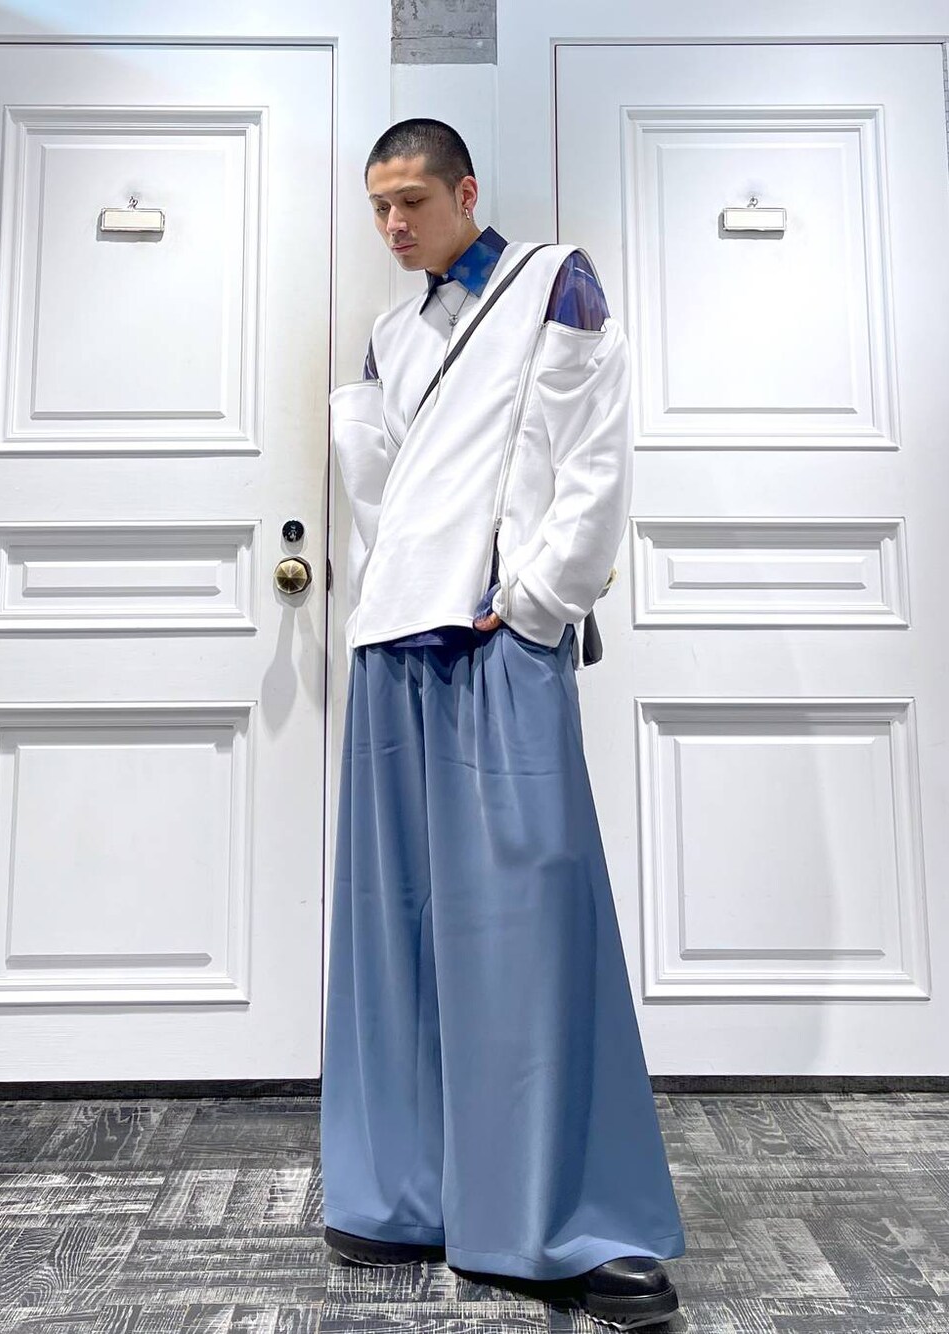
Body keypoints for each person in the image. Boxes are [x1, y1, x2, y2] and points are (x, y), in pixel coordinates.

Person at [321, 118, 686, 1330]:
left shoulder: (552, 282)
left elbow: (594, 458)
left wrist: (533, 603)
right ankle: (400, 1191)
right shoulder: (389, 335)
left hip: (497, 637)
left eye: (413, 200)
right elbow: (378, 492)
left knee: (532, 912)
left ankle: (570, 1218)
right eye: (379, 205)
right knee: (398, 923)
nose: (394, 225)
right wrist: (387, 597)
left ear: (466, 190)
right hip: (395, 639)